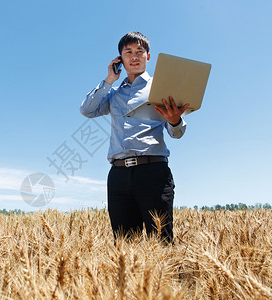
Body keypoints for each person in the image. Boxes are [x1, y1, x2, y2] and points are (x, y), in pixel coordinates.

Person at [79, 32, 189, 243]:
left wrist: (175, 121)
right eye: (128, 52)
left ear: (148, 56)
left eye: (140, 51)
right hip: (118, 176)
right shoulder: (113, 94)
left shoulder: (161, 88)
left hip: (153, 173)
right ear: (120, 58)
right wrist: (110, 79)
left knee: (162, 243)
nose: (134, 56)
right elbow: (87, 110)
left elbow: (177, 133)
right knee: (125, 246)